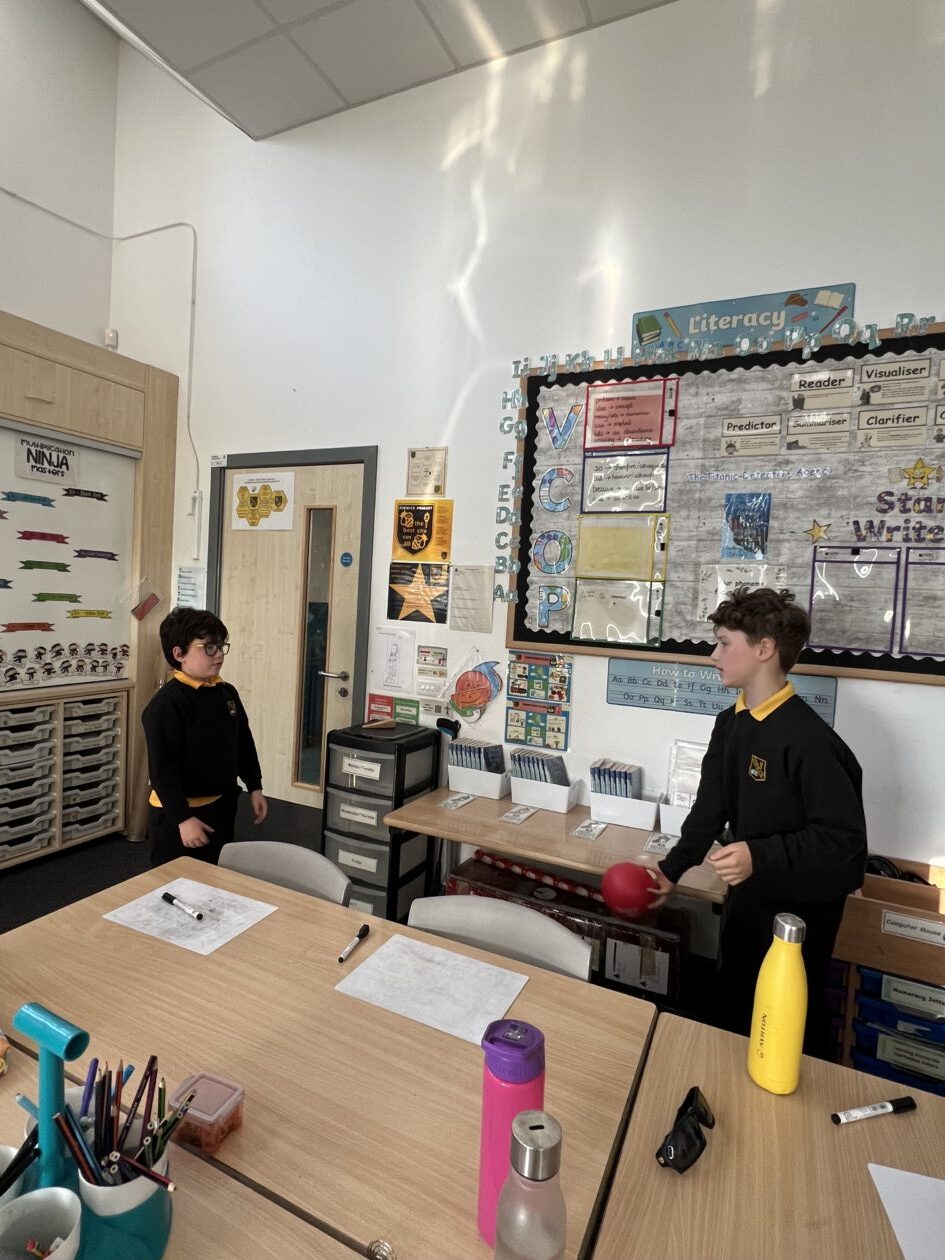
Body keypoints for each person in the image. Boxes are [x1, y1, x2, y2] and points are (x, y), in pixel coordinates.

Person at [648, 586, 867, 1059]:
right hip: (747, 901)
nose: (714, 656)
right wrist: (672, 869)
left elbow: (843, 841)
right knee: (734, 1005)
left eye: (725, 643)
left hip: (799, 916)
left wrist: (758, 854)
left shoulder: (809, 741)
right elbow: (711, 807)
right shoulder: (732, 723)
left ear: (764, 649)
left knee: (786, 1026)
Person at [143, 607, 267, 867]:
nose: (219, 654)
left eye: (221, 646)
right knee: (175, 880)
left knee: (216, 873)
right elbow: (162, 770)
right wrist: (183, 819)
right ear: (179, 654)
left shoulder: (226, 692)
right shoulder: (166, 704)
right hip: (177, 814)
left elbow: (243, 742)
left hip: (221, 804)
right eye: (208, 647)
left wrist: (254, 785)